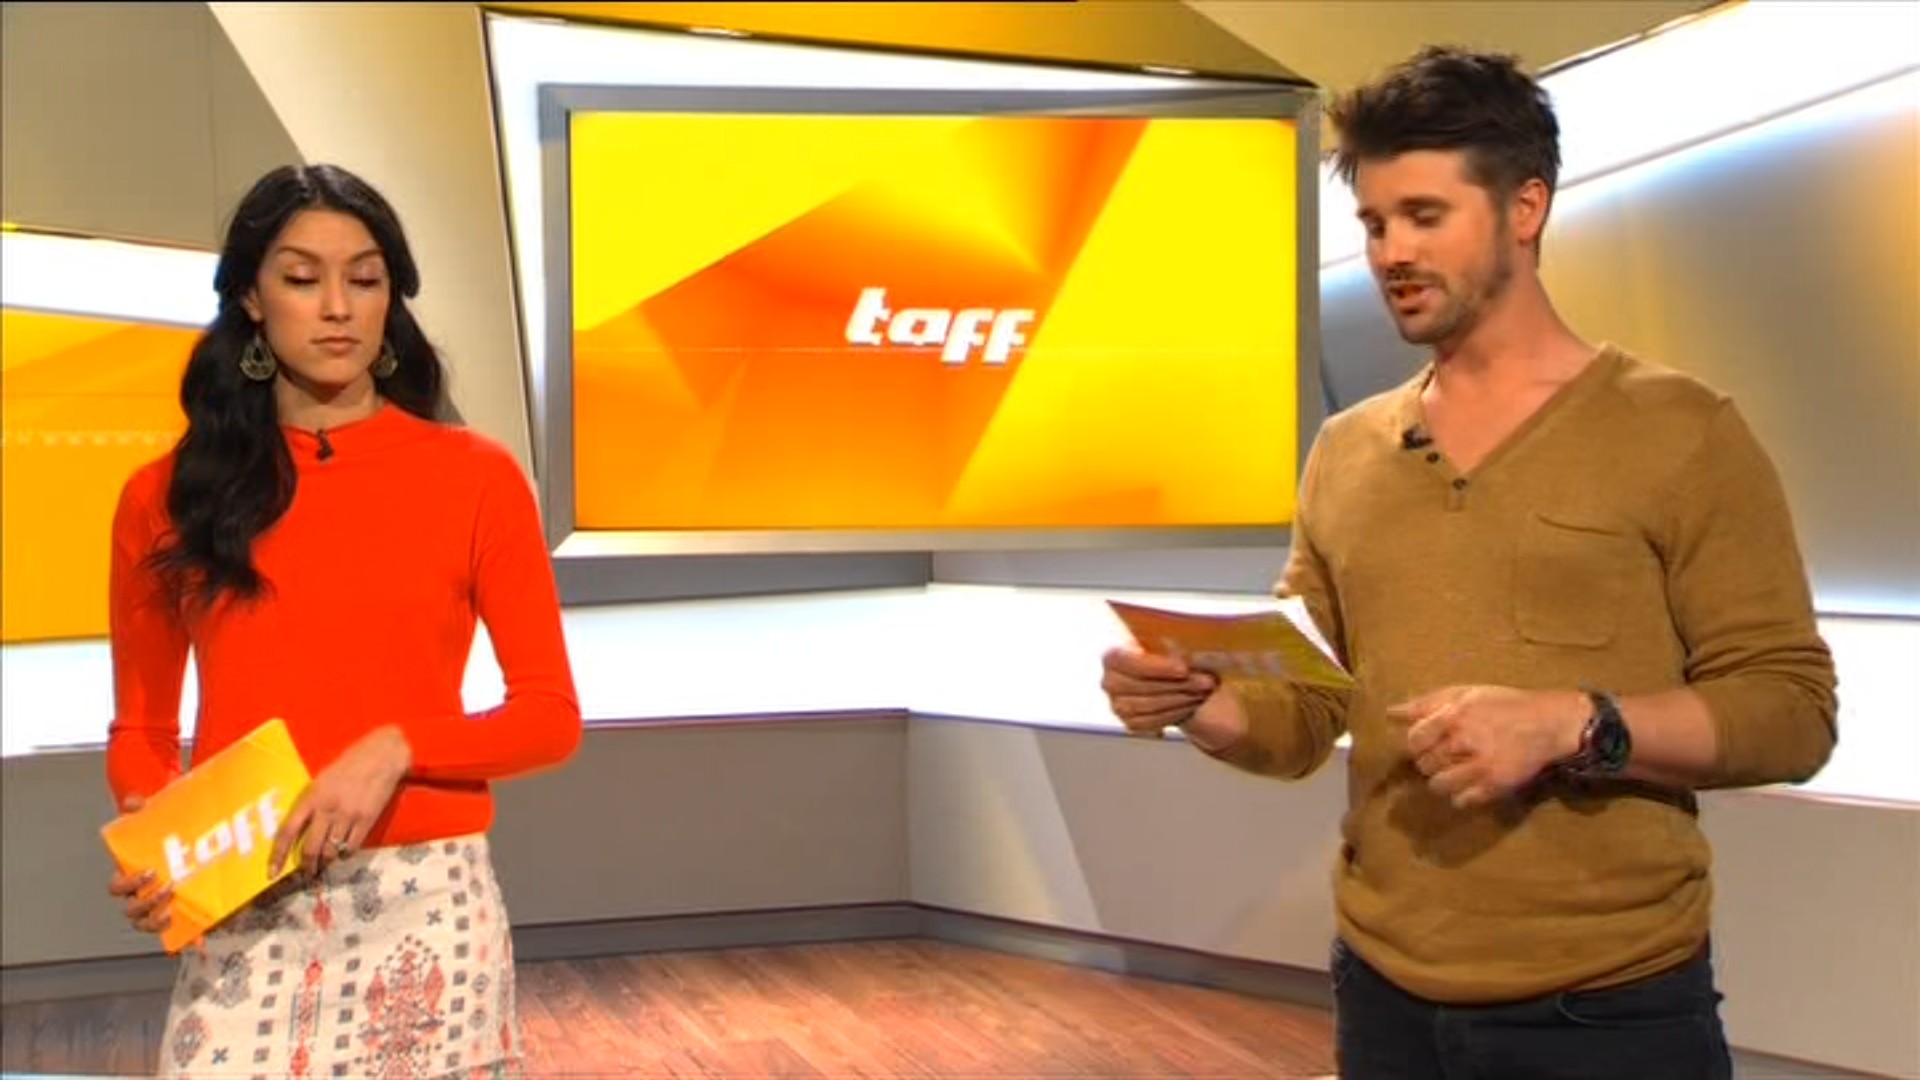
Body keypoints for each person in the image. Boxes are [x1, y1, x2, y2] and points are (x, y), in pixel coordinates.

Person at [1101, 46, 1836, 1080]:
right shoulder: (1346, 452)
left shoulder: (1682, 432)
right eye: (1374, 224)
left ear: (1525, 207)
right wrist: (1198, 703)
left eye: (1425, 216)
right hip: (1382, 997)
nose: (1392, 252)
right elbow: (1308, 710)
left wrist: (1574, 723)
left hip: (1609, 1010)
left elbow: (1791, 712)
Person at [104, 163, 582, 1079]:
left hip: (426, 909)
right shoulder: (166, 496)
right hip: (244, 900)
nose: (337, 307)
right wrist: (156, 828)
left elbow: (549, 717)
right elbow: (142, 732)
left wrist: (398, 746)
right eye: (301, 278)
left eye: (364, 279)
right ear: (251, 297)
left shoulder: (475, 478)